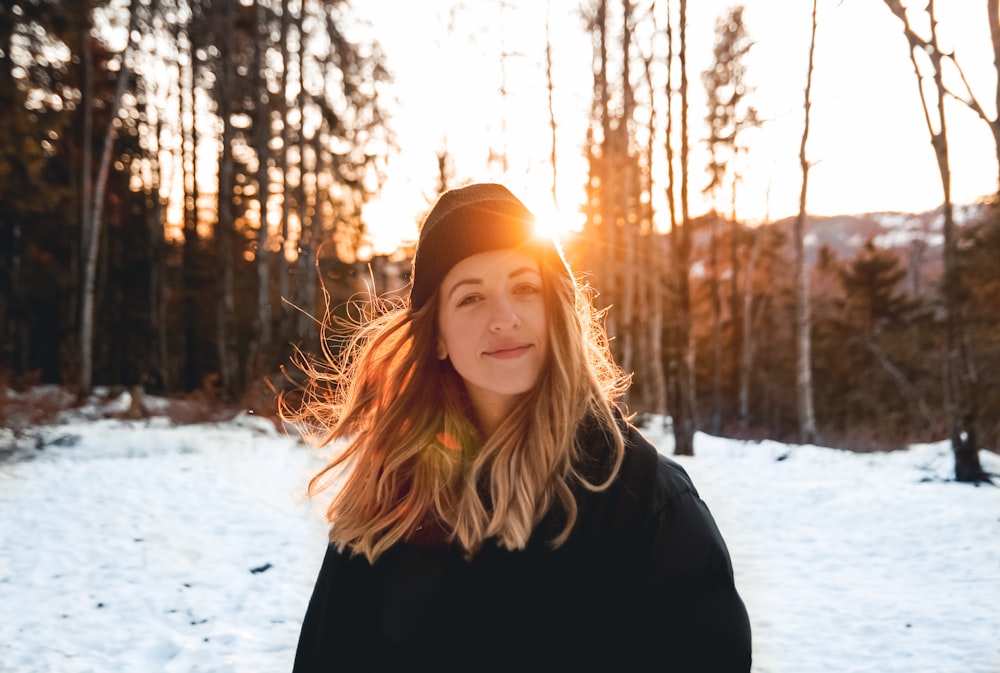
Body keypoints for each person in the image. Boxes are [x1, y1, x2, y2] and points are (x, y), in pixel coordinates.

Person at [283, 183, 752, 672]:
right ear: (437, 335)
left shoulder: (645, 500)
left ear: (557, 310)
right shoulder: (390, 495)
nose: (503, 319)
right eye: (470, 299)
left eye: (525, 288)